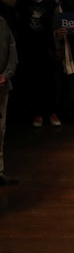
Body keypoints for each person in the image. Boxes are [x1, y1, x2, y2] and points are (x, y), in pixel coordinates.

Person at [0, 0, 61, 127]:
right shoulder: (22, 2)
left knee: (49, 82)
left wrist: (56, 47)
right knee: (33, 82)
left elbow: (55, 26)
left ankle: (52, 113)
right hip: (28, 49)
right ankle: (37, 115)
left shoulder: (49, 4)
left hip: (46, 49)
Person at [0, 14, 18, 186]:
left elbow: (12, 48)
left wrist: (6, 74)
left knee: (0, 129)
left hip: (2, 84)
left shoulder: (2, 21)